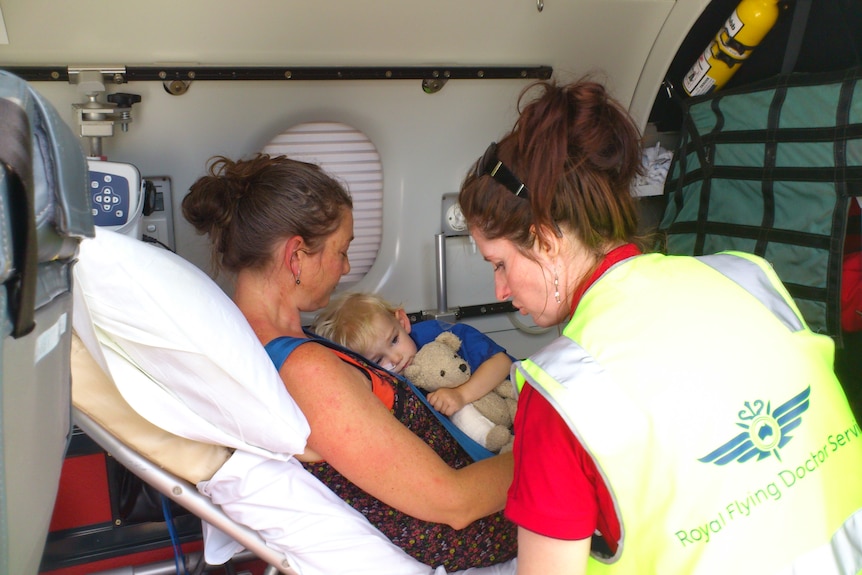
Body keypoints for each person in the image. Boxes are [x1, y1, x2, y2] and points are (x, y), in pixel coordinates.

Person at [457, 79, 862, 574]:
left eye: (498, 263)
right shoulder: (746, 277)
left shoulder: (564, 392)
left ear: (544, 240)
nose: (500, 290)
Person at [182, 153, 516, 571]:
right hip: (487, 528)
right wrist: (556, 454)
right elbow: (454, 502)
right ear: (296, 257)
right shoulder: (306, 370)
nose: (346, 266)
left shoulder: (281, 346)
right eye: (341, 251)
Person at [312, 292, 513, 417]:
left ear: (402, 321)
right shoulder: (385, 384)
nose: (396, 358)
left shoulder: (441, 335)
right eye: (379, 360)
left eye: (394, 340)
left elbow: (501, 363)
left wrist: (461, 395)